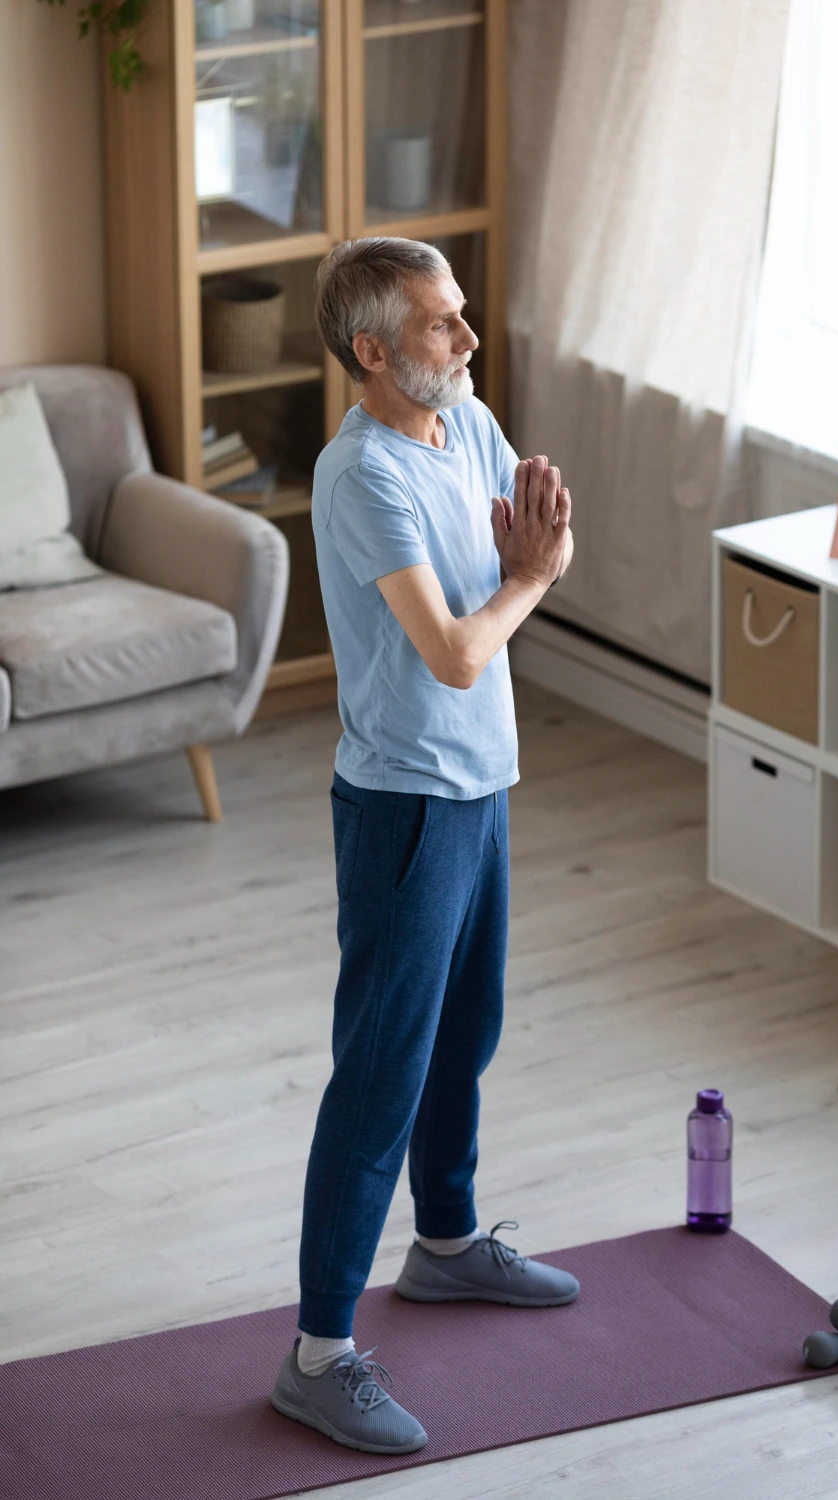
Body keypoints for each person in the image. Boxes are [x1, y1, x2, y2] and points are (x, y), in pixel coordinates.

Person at [270, 237, 577, 1455]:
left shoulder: (471, 424)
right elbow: (458, 648)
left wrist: (528, 569)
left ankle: (445, 1245)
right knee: (380, 1075)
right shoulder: (361, 478)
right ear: (372, 351)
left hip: (481, 784)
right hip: (402, 803)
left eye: (457, 317)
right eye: (442, 325)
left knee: (468, 1032)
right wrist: (535, 577)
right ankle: (318, 1352)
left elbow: (510, 573)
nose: (466, 338)